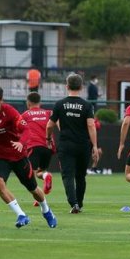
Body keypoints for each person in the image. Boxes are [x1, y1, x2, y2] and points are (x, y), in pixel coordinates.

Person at [0, 85, 56, 228]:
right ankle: (21, 215)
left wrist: (21, 143)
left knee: (33, 189)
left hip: (18, 156)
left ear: (1, 100)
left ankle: (46, 210)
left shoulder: (10, 112)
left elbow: (26, 129)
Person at [46, 73, 99, 214]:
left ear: (67, 86)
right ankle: (79, 204)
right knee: (80, 176)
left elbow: (49, 125)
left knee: (67, 175)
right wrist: (94, 146)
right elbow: (91, 126)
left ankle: (73, 203)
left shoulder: (59, 104)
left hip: (66, 145)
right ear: (81, 87)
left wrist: (48, 138)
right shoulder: (87, 105)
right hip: (83, 145)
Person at [20, 92, 55, 199]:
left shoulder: (25, 115)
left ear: (28, 103)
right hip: (48, 147)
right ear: (40, 103)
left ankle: (38, 197)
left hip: (34, 146)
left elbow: (18, 129)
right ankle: (46, 176)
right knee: (40, 172)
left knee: (30, 174)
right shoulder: (49, 113)